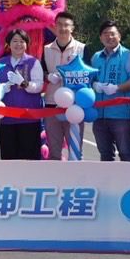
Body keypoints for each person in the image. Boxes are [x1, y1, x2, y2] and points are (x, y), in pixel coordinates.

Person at [91, 20, 130, 162]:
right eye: (105, 34)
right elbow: (89, 78)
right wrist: (94, 84)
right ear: (100, 37)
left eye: (112, 33)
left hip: (121, 115)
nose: (109, 37)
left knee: (125, 153)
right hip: (99, 115)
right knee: (105, 154)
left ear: (119, 36)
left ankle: (129, 177)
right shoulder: (96, 57)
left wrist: (117, 88)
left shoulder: (129, 56)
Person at [42, 11, 85, 160]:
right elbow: (41, 72)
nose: (62, 28)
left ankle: (75, 176)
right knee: (54, 152)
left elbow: (89, 75)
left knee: (75, 152)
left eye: (66, 25)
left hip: (75, 106)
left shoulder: (82, 49)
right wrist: (48, 76)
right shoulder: (46, 49)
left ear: (72, 28)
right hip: (52, 104)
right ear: (54, 26)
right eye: (59, 24)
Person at [0, 30, 44, 159]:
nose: (18, 44)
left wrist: (24, 83)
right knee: (9, 158)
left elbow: (39, 86)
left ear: (27, 44)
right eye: (15, 41)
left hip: (29, 118)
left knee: (29, 158)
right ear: (8, 44)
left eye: (22, 41)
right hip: (7, 119)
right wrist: (2, 89)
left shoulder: (33, 62)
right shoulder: (0, 64)